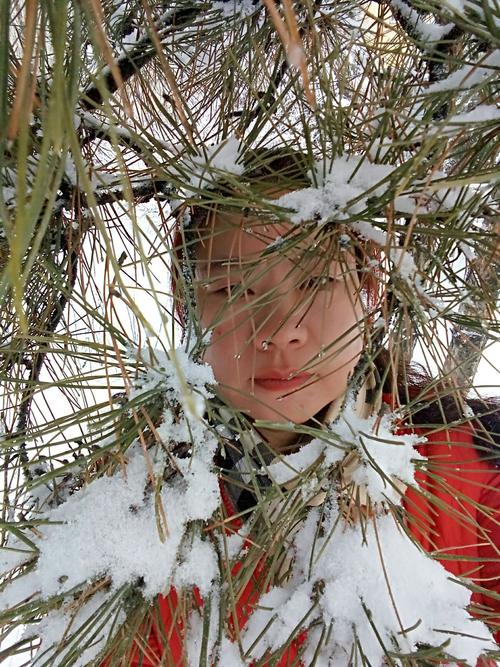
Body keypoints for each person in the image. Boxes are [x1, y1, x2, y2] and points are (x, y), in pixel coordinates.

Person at [126, 150, 500, 666]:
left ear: (370, 290)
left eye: (315, 282)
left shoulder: (474, 465)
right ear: (186, 303)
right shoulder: (129, 517)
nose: (281, 330)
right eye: (233, 288)